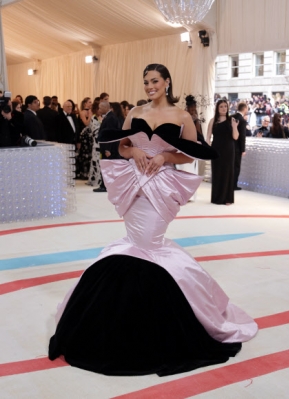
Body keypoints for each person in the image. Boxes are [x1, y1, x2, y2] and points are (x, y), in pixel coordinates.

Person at [49, 63, 257, 377]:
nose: (150, 86)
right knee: (137, 246)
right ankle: (129, 321)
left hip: (161, 184)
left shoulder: (182, 116)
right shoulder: (134, 112)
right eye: (146, 81)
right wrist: (134, 154)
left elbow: (190, 154)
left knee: (150, 245)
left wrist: (163, 156)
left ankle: (166, 318)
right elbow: (122, 144)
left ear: (167, 82)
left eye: (155, 81)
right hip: (134, 182)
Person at [207, 100, 239, 205]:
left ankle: (227, 198)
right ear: (217, 108)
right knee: (217, 172)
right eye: (221, 106)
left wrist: (235, 127)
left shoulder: (231, 120)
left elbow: (235, 137)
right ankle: (216, 197)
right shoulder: (213, 121)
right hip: (216, 149)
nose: (224, 108)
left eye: (225, 106)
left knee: (228, 172)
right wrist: (207, 150)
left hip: (229, 150)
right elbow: (208, 137)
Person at [93, 101, 122, 192]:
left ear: (106, 108)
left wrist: (107, 149)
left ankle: (105, 186)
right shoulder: (110, 117)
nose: (99, 110)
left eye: (100, 108)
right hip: (108, 147)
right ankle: (105, 185)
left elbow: (110, 135)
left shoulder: (110, 118)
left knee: (108, 167)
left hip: (109, 148)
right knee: (107, 166)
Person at [232, 102, 248, 190]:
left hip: (229, 146)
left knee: (229, 166)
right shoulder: (242, 120)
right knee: (236, 166)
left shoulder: (231, 117)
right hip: (237, 148)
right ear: (245, 109)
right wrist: (243, 149)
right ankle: (234, 185)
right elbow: (242, 136)